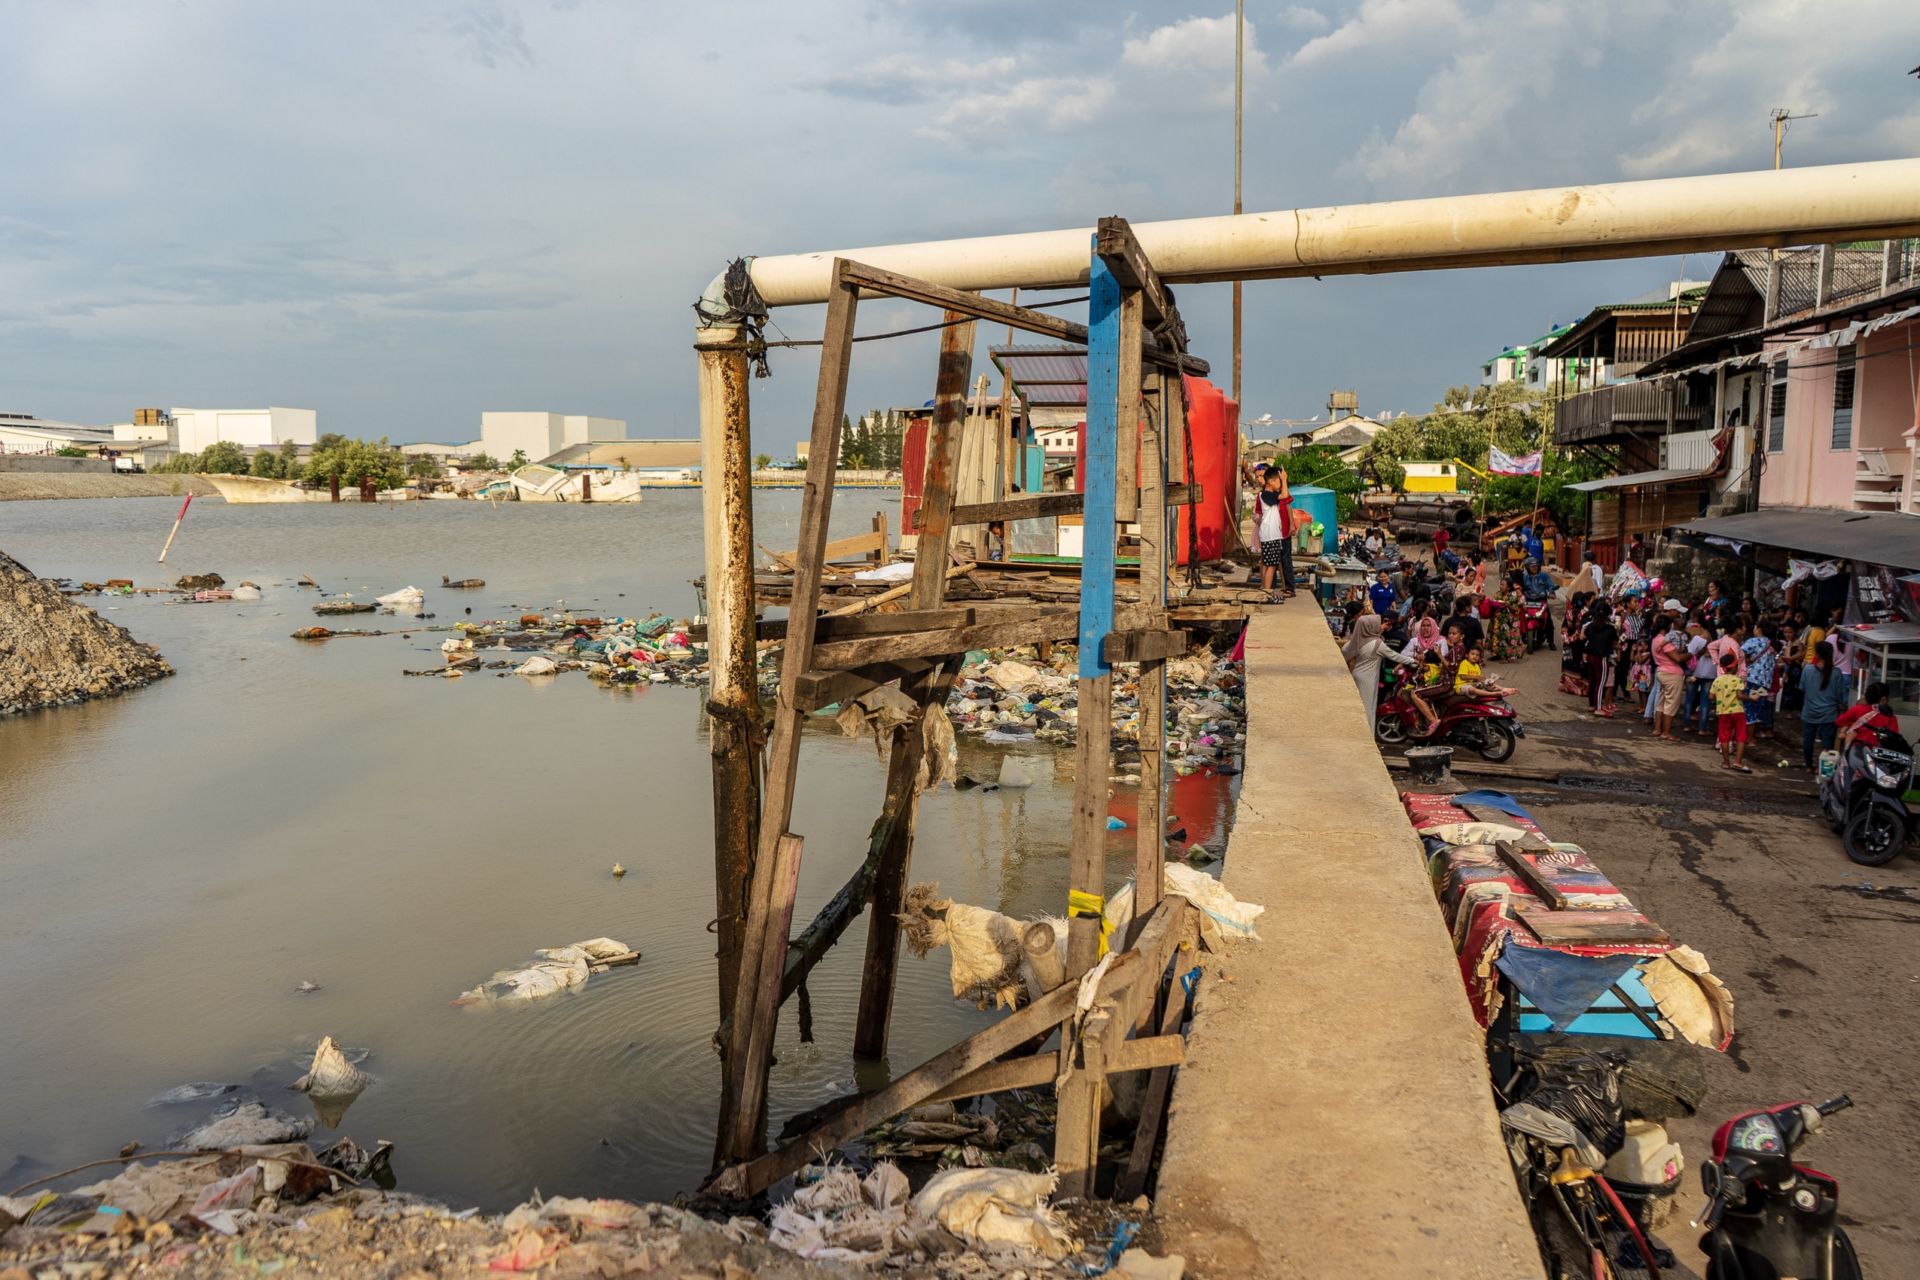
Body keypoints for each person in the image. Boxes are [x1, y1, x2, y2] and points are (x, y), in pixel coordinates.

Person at [1343, 613, 1417, 726]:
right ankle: (1368, 732)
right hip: (1368, 679)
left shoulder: (1359, 640)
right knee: (1368, 707)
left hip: (1357, 675)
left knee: (1359, 705)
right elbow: (1394, 656)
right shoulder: (1377, 643)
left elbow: (1344, 650)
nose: (1380, 626)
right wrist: (1411, 660)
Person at [1800, 639, 1844, 772]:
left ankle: (1809, 766)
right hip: (1829, 713)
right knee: (1827, 742)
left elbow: (1802, 688)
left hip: (1809, 712)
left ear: (1817, 654)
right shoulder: (1836, 673)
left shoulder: (1807, 670)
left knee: (1808, 740)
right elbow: (1839, 696)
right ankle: (1825, 769)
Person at [1254, 468, 1294, 601]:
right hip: (1271, 535)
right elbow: (1285, 495)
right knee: (1271, 566)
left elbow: (1285, 498)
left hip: (1268, 534)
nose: (1280, 484)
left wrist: (1282, 480)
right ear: (1271, 482)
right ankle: (1268, 593)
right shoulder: (1266, 495)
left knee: (1267, 564)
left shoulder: (1265, 495)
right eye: (1278, 481)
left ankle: (1265, 591)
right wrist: (1284, 479)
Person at [1711, 652, 1753, 773]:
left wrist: (1720, 698)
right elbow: (1740, 696)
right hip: (1738, 712)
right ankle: (1738, 762)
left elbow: (1711, 696)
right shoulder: (1737, 680)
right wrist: (1752, 698)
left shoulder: (1717, 680)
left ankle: (1726, 762)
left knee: (1724, 738)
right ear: (1734, 667)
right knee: (1740, 737)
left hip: (1723, 712)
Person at [1651, 615, 1687, 740]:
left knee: (1661, 702)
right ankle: (1666, 732)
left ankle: (1657, 729)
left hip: (1662, 670)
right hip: (1672, 673)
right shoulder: (1664, 639)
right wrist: (1691, 654)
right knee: (1671, 704)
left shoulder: (1656, 638)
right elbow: (1677, 658)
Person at [1836, 680, 1901, 749]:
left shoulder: (1857, 709)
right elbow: (1894, 737)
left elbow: (1839, 722)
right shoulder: (1890, 717)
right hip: (1876, 752)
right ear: (1883, 699)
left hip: (1856, 749)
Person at [1582, 601, 1620, 716]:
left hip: (1590, 656)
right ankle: (1598, 707)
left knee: (1592, 681)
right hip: (1602, 658)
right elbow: (1615, 643)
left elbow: (1585, 637)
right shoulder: (1610, 628)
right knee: (1601, 683)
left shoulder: (1590, 626)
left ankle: (1592, 704)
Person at [1743, 625, 1780, 738]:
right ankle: (1754, 735)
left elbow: (1739, 653)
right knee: (1758, 706)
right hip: (1765, 682)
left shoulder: (1754, 641)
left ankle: (1749, 737)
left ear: (1759, 629)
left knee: (1749, 706)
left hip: (1752, 679)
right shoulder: (1772, 643)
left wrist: (1747, 660)